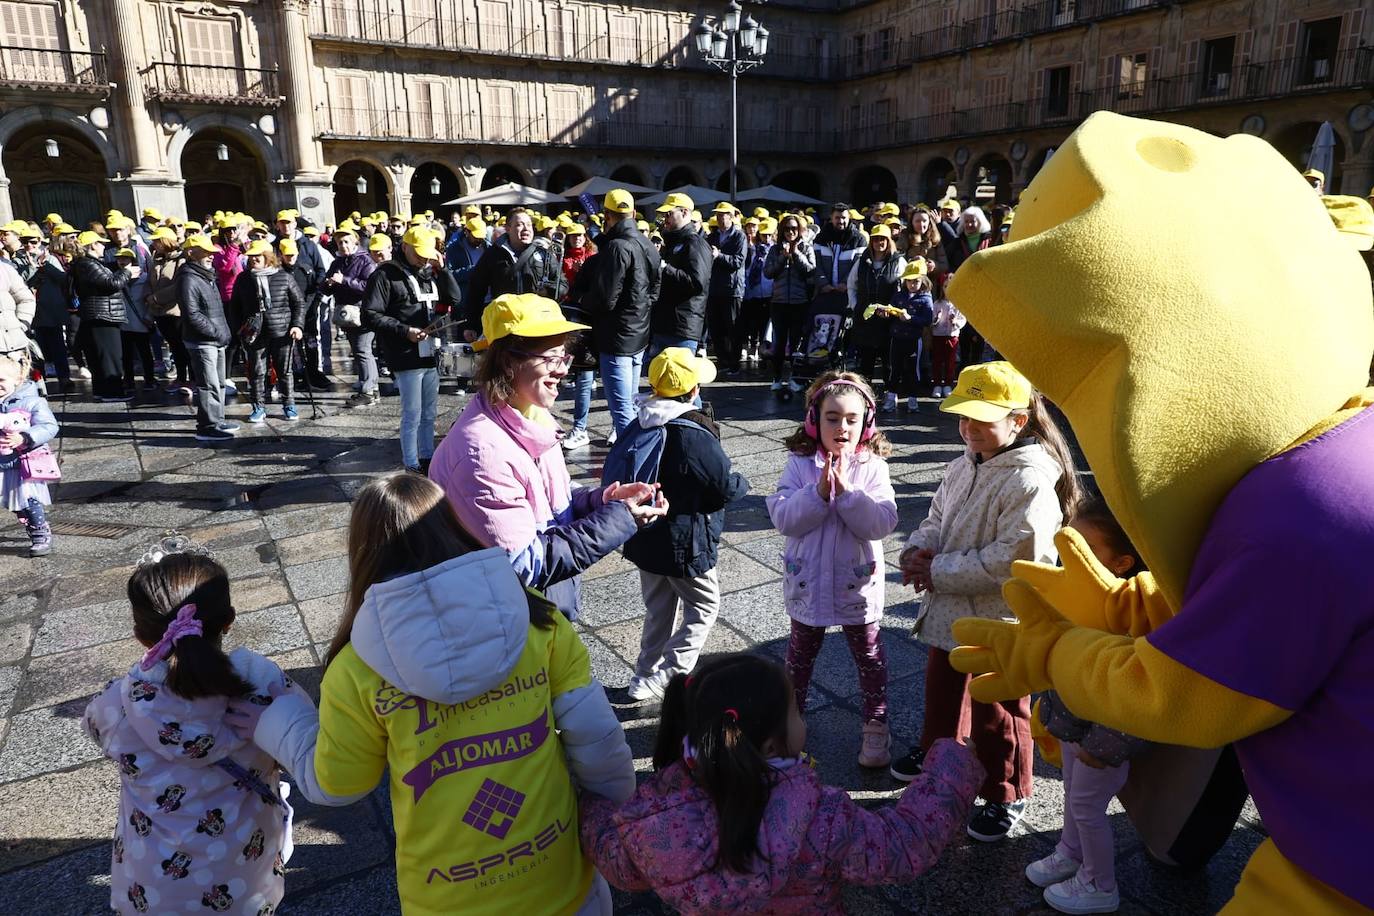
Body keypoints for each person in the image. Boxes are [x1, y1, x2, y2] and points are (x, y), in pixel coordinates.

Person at [226, 474, 636, 915]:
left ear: (363, 551)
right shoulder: (539, 620)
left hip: (446, 897)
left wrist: (276, 721)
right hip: (560, 880)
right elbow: (597, 739)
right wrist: (620, 817)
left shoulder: (356, 668)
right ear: (452, 525)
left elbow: (339, 783)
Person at [580, 653, 984, 914]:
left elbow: (618, 860)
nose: (802, 721)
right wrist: (952, 767)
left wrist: (585, 807)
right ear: (772, 745)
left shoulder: (657, 820)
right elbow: (900, 847)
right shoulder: (820, 817)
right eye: (796, 713)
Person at [893, 361, 1078, 842]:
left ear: (1018, 421)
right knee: (943, 691)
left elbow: (1014, 559)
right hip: (950, 611)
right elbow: (936, 515)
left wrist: (934, 570)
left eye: (981, 418)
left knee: (999, 711)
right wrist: (918, 548)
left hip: (1001, 618)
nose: (969, 427)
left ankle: (1006, 791)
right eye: (963, 417)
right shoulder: (964, 463)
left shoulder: (1029, 480)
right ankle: (941, 759)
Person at [81, 547, 299, 916]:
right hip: (245, 883)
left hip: (150, 890)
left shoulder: (115, 705)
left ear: (140, 635)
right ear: (228, 620)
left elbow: (96, 731)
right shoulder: (263, 684)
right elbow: (298, 738)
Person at [429, 293, 666, 619]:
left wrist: (604, 501)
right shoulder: (483, 454)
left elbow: (548, 503)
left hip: (544, 606)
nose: (562, 370)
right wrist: (620, 519)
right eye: (550, 358)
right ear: (508, 360)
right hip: (509, 624)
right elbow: (524, 564)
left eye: (564, 357)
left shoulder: (533, 417)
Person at [1028, 494, 1153, 914]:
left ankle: (1100, 883)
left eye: (1085, 550)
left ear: (1121, 563)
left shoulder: (1135, 618)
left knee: (1087, 804)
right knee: (1072, 794)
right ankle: (1070, 852)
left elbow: (1135, 692)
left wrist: (1103, 746)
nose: (1070, 560)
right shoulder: (1081, 598)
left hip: (1106, 739)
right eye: (1067, 548)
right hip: (1075, 724)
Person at [768, 371, 898, 767]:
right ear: (814, 420)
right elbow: (784, 518)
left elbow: (882, 521)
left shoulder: (872, 467)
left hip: (855, 585)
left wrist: (847, 497)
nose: (842, 427)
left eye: (852, 419)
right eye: (832, 417)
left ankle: (876, 724)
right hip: (808, 581)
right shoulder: (799, 465)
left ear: (867, 423)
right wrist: (818, 493)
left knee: (870, 658)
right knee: (799, 659)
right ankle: (789, 722)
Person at [618, 348, 749, 701]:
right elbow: (723, 485)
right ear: (692, 391)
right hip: (684, 541)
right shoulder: (691, 433)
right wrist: (742, 483)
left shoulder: (641, 420)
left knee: (658, 610)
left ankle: (643, 676)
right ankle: (670, 674)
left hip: (646, 537)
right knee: (704, 606)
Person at [361, 227, 460, 472]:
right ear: (405, 247)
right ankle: (411, 462)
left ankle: (427, 457)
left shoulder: (429, 271)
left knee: (429, 411)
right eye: (419, 254)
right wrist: (404, 330)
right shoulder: (384, 275)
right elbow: (370, 314)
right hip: (405, 352)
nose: (424, 259)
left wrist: (442, 268)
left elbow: (455, 298)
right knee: (412, 412)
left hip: (431, 350)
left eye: (428, 254)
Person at [581, 189, 661, 440]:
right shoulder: (647, 243)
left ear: (606, 215)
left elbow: (604, 300)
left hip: (616, 339)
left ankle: (633, 463)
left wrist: (583, 301)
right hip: (639, 334)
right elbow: (656, 288)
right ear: (634, 214)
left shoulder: (616, 247)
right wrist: (639, 310)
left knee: (622, 411)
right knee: (633, 404)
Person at [230, 240, 305, 424]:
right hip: (254, 333)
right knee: (256, 372)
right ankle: (258, 406)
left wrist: (297, 325)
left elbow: (298, 303)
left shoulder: (284, 277)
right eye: (251, 256)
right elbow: (235, 307)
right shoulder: (243, 279)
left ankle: (289, 404)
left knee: (284, 371)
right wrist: (239, 330)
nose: (254, 259)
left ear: (268, 257)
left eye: (258, 255)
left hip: (282, 331)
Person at [463, 209, 563, 339]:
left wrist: (549, 290)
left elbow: (562, 283)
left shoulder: (543, 253)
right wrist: (471, 324)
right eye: (519, 225)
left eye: (528, 224)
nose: (526, 229)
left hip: (537, 323)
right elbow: (476, 289)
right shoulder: (493, 254)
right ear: (508, 228)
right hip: (505, 325)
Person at [177, 235, 240, 443]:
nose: (211, 256)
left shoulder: (206, 275)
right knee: (209, 384)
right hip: (202, 341)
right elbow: (192, 315)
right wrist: (217, 332)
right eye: (205, 252)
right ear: (190, 253)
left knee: (219, 383)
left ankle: (217, 420)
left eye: (211, 252)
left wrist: (224, 332)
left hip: (216, 339)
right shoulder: (188, 278)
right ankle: (207, 426)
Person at [0, 354, 57, 556]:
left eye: (1, 381)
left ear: (18, 380)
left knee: (28, 500)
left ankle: (39, 530)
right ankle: (26, 519)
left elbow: (49, 427)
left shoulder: (32, 402)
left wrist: (25, 437)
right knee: (11, 502)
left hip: (23, 463)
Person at [69, 230, 136, 402]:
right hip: (102, 314)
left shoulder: (85, 263)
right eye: (100, 243)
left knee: (99, 355)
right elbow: (110, 284)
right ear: (92, 245)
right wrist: (127, 272)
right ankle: (113, 392)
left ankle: (102, 390)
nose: (104, 246)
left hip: (97, 313)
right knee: (110, 356)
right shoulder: (88, 264)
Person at [649, 192, 711, 364]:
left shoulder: (696, 243)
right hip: (665, 323)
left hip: (682, 327)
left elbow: (697, 283)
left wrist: (664, 268)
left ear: (684, 213)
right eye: (663, 215)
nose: (665, 219)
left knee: (680, 384)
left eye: (669, 214)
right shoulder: (673, 242)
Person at [321, 225, 379, 408]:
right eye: (339, 242)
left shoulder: (366, 261)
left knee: (363, 350)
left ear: (355, 241)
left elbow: (367, 287)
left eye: (346, 241)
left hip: (362, 312)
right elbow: (325, 287)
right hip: (347, 314)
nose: (343, 245)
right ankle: (371, 387)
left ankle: (368, 391)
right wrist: (328, 284)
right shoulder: (338, 262)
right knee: (358, 351)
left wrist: (343, 280)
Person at [846, 224, 907, 383]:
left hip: (888, 319)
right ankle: (866, 396)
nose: (879, 242)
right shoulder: (861, 261)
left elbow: (904, 290)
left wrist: (894, 311)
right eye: (875, 239)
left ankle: (889, 394)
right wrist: (855, 305)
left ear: (888, 241)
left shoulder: (899, 262)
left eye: (883, 239)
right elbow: (851, 285)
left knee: (888, 361)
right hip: (865, 320)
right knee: (866, 361)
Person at [762, 214, 815, 394]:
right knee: (779, 342)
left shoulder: (807, 247)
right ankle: (777, 377)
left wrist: (796, 254)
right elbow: (768, 272)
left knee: (796, 343)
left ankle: (795, 377)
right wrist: (783, 257)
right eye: (786, 229)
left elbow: (810, 270)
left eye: (793, 228)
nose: (790, 232)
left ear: (799, 230)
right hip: (779, 301)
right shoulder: (774, 250)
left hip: (799, 302)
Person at [144, 227, 191, 394]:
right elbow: (149, 280)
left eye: (157, 240)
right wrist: (149, 296)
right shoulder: (156, 259)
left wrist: (157, 298)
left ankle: (191, 379)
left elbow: (179, 285)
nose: (154, 244)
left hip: (176, 311)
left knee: (183, 346)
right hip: (159, 312)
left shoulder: (181, 259)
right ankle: (180, 378)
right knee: (174, 346)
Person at [278, 238, 329, 390]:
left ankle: (313, 372)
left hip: (308, 314)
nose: (291, 258)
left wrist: (308, 307)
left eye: (293, 255)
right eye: (287, 255)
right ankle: (298, 374)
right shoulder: (279, 272)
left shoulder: (305, 270)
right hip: (289, 315)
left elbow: (314, 290)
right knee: (294, 348)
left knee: (311, 344)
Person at [886, 261, 935, 412]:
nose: (912, 284)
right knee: (895, 368)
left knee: (914, 370)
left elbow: (927, 320)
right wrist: (886, 313)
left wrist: (911, 319)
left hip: (914, 340)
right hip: (897, 338)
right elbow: (892, 310)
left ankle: (912, 400)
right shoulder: (899, 295)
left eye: (916, 281)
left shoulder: (925, 299)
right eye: (909, 281)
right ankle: (891, 397)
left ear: (923, 281)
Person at [705, 202, 748, 375]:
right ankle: (722, 361)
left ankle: (734, 362)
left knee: (733, 328)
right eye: (718, 215)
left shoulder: (739, 237)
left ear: (731, 216)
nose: (720, 218)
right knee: (716, 328)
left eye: (724, 215)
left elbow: (738, 261)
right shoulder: (713, 236)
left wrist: (719, 256)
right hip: (714, 287)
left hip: (732, 289)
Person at [29, 235, 72, 391]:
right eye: (26, 241)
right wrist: (31, 267)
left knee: (58, 345)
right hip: (33, 312)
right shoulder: (21, 260)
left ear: (40, 243)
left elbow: (63, 279)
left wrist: (45, 267)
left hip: (52, 311)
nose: (30, 245)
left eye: (33, 241)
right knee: (38, 348)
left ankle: (64, 377)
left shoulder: (50, 259)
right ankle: (41, 379)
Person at [812, 204, 867, 325]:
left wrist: (845, 283)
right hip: (824, 292)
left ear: (849, 218)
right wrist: (823, 283)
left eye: (844, 218)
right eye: (837, 218)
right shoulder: (820, 238)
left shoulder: (859, 239)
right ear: (831, 218)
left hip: (847, 293)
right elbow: (816, 264)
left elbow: (857, 265)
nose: (840, 221)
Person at [114, 246, 158, 396]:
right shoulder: (116, 278)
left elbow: (151, 299)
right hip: (124, 323)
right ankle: (129, 380)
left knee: (145, 353)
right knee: (126, 355)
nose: (122, 261)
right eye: (119, 258)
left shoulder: (145, 277)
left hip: (141, 321)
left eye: (125, 258)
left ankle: (150, 379)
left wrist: (149, 317)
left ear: (132, 260)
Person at [741, 216, 774, 365]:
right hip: (754, 291)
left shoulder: (775, 249)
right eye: (763, 234)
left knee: (764, 323)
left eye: (769, 234)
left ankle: (762, 347)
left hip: (768, 291)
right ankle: (752, 347)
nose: (766, 237)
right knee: (753, 322)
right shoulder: (753, 249)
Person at [445, 214, 489, 317]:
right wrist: (472, 271)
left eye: (481, 237)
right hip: (465, 303)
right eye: (476, 237)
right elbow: (449, 276)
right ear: (467, 232)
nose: (479, 240)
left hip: (486, 301)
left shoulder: (487, 246)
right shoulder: (454, 249)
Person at [928, 272, 964, 397]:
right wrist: (936, 320)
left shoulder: (958, 304)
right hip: (938, 335)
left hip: (952, 336)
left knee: (950, 361)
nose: (948, 289)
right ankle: (937, 384)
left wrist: (955, 322)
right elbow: (932, 319)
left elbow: (963, 319)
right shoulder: (937, 303)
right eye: (945, 286)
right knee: (937, 360)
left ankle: (948, 384)